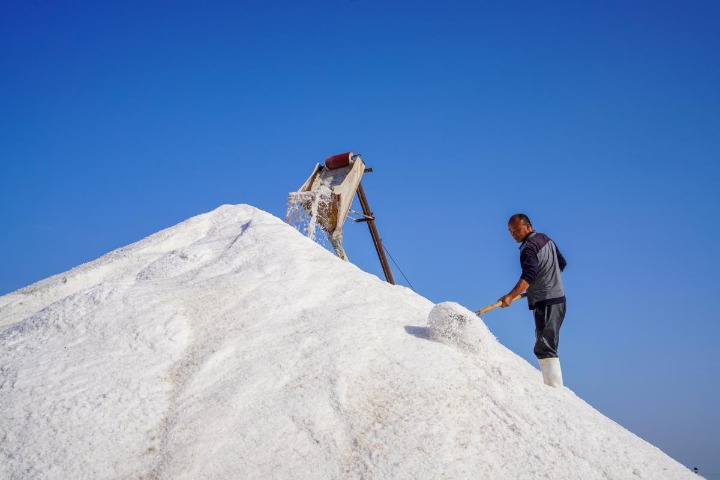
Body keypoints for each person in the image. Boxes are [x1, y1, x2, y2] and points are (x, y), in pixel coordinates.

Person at [499, 214, 567, 387]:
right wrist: (546, 281)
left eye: (516, 230)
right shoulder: (546, 239)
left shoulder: (528, 248)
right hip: (557, 300)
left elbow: (528, 276)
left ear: (527, 226)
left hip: (547, 301)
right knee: (546, 343)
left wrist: (510, 296)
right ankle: (553, 389)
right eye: (510, 231)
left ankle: (555, 392)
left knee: (544, 346)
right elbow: (562, 263)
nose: (513, 234)